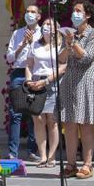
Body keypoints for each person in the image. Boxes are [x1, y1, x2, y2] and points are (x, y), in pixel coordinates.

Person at [58, 0, 94, 179]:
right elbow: (61, 59)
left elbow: (86, 58)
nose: (74, 14)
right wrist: (68, 45)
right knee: (69, 124)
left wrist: (74, 44)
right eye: (73, 11)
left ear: (87, 15)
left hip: (86, 81)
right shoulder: (69, 34)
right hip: (69, 82)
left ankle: (87, 164)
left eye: (78, 11)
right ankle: (70, 164)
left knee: (86, 124)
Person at [4, 4, 42, 160]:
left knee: (34, 113)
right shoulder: (17, 33)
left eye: (33, 12)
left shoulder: (44, 32)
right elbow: (10, 58)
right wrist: (23, 44)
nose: (29, 14)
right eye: (27, 11)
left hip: (36, 73)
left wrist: (33, 42)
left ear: (39, 16)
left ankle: (33, 150)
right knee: (15, 113)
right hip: (19, 73)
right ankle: (13, 153)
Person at [25, 19, 62, 167]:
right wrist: (28, 81)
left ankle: (52, 156)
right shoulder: (35, 44)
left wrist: (46, 81)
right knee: (38, 120)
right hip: (35, 82)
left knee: (52, 121)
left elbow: (62, 67)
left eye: (50, 24)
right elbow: (29, 65)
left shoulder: (60, 45)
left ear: (56, 28)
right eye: (45, 24)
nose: (46, 26)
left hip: (52, 83)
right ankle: (43, 156)